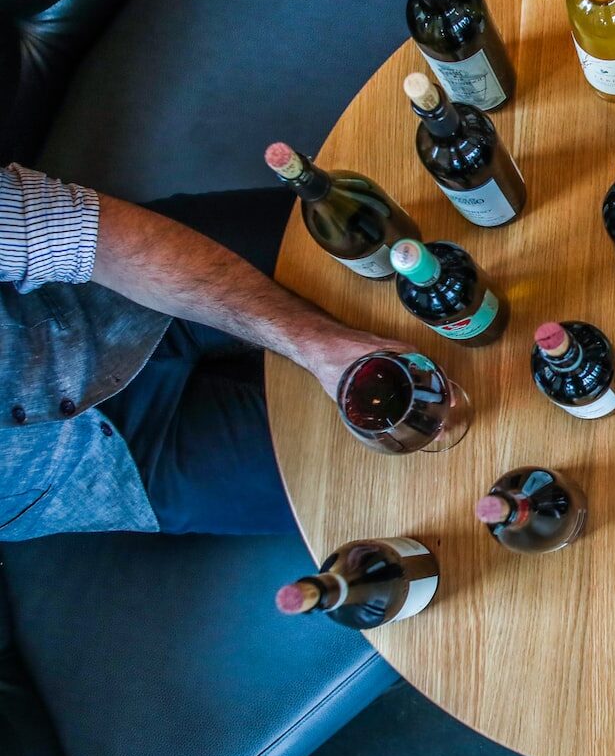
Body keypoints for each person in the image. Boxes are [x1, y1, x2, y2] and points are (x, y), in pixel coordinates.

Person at [1, 171, 407, 539]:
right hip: (105, 473)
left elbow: (78, 231)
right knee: (398, 473)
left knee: (382, 247)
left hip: (98, 290)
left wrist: (317, 342)